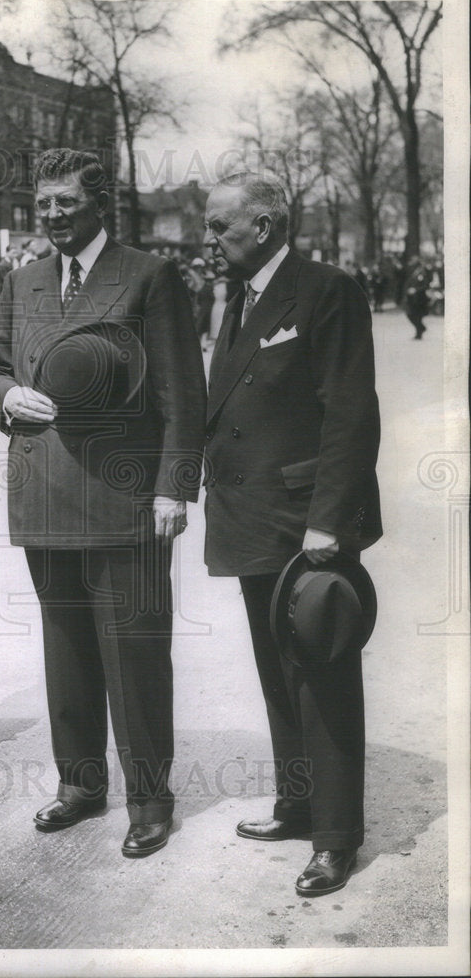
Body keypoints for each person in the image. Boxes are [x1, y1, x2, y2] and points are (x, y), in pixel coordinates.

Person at [0, 148, 207, 858]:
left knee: (134, 653)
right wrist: (4, 396)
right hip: (44, 492)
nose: (51, 215)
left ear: (98, 204)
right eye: (43, 203)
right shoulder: (22, 280)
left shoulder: (149, 275)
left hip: (125, 497)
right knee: (67, 648)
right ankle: (80, 786)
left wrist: (174, 484)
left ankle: (149, 799)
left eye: (66, 204)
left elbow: (181, 391)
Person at [202, 173, 381, 896]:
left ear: (267, 225)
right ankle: (298, 804)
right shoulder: (238, 298)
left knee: (323, 675)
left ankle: (336, 838)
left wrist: (327, 521)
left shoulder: (325, 290)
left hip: (305, 524)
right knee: (278, 674)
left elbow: (349, 412)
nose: (208, 240)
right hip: (251, 520)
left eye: (220, 227)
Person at [404, 257, 430, 339]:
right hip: (413, 299)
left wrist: (415, 290)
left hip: (420, 298)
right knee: (411, 314)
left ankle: (419, 332)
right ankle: (421, 329)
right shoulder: (414, 273)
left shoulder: (422, 273)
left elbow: (425, 286)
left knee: (416, 315)